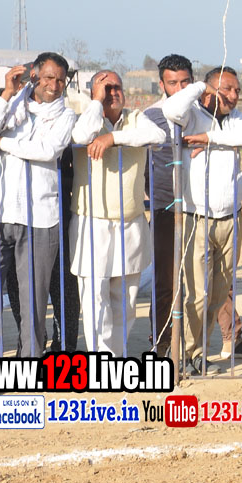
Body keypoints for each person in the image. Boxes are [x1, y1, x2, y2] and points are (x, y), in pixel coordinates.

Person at [0, 52, 77, 357]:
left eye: (60, 80)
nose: (54, 86)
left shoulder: (66, 116)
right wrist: (6, 94)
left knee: (34, 301)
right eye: (48, 78)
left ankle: (30, 364)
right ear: (34, 76)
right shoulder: (11, 105)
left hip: (40, 219)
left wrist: (1, 144)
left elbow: (47, 150)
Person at [163, 66, 242, 376]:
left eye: (237, 90)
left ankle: (199, 350)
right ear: (208, 91)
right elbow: (171, 109)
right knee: (196, 294)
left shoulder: (236, 120)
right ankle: (188, 354)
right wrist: (200, 87)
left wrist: (210, 139)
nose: (233, 96)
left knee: (218, 294)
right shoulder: (191, 114)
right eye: (226, 89)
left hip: (231, 218)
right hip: (197, 219)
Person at [68, 70, 166, 354]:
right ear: (94, 92)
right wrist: (95, 103)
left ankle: (118, 357)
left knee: (125, 298)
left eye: (116, 87)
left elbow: (158, 136)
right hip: (91, 221)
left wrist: (112, 138)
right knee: (95, 296)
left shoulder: (137, 118)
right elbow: (81, 135)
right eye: (106, 88)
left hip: (130, 220)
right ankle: (102, 360)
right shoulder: (85, 117)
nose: (112, 93)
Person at [141, 54, 194, 357]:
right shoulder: (150, 116)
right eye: (173, 83)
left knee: (208, 281)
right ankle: (162, 345)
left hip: (201, 209)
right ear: (162, 84)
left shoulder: (200, 113)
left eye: (185, 82)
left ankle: (228, 336)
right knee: (166, 283)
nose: (180, 88)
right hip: (165, 209)